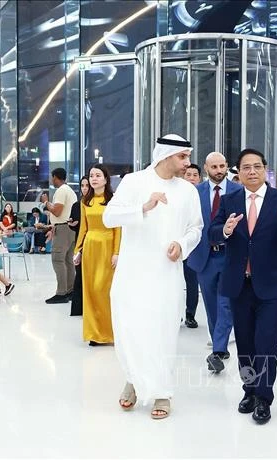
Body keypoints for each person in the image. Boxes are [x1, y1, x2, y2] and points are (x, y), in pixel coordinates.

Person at [103, 134, 202, 419]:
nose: (187, 163)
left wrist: (182, 244)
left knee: (163, 331)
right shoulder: (134, 182)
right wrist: (142, 208)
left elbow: (196, 228)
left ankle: (162, 392)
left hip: (166, 273)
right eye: (183, 157)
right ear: (166, 156)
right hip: (133, 272)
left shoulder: (188, 191)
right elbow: (110, 217)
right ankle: (134, 379)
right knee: (131, 328)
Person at [209, 148, 277, 424]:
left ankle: (264, 397)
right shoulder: (229, 200)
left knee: (266, 342)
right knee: (246, 343)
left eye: (257, 166)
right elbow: (213, 232)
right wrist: (225, 230)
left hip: (271, 285)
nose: (252, 171)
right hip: (240, 283)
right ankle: (249, 390)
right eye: (246, 167)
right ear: (238, 172)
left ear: (265, 169)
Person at [187, 152, 241, 372]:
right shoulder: (195, 193)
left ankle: (218, 350)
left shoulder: (238, 191)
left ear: (227, 166)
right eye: (214, 167)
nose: (219, 170)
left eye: (222, 166)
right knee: (211, 305)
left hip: (230, 256)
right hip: (204, 257)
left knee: (225, 303)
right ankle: (220, 343)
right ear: (206, 168)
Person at [73, 164, 121, 346]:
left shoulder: (114, 200)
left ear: (106, 179)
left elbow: (118, 229)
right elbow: (83, 228)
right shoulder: (85, 201)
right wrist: (77, 250)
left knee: (105, 290)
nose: (93, 178)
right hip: (90, 246)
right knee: (91, 290)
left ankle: (109, 332)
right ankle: (94, 333)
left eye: (98, 175)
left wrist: (117, 252)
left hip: (108, 246)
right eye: (91, 175)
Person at [42, 168, 78, 304]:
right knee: (68, 261)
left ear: (56, 177)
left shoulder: (61, 191)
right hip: (70, 229)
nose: (52, 180)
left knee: (58, 260)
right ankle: (70, 291)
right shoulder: (70, 191)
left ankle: (61, 293)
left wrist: (46, 202)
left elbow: (57, 212)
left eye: (53, 178)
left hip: (62, 229)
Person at [182, 163, 202, 328]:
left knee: (192, 282)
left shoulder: (202, 195)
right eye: (188, 174)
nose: (192, 178)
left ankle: (190, 314)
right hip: (175, 244)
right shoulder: (177, 194)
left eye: (195, 175)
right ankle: (175, 315)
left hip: (195, 247)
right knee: (174, 282)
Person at [69, 176, 89, 317]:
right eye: (82, 185)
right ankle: (78, 309)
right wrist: (72, 225)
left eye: (86, 185)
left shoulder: (95, 204)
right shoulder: (77, 205)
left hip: (94, 242)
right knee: (79, 275)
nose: (84, 188)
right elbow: (76, 225)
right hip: (80, 242)